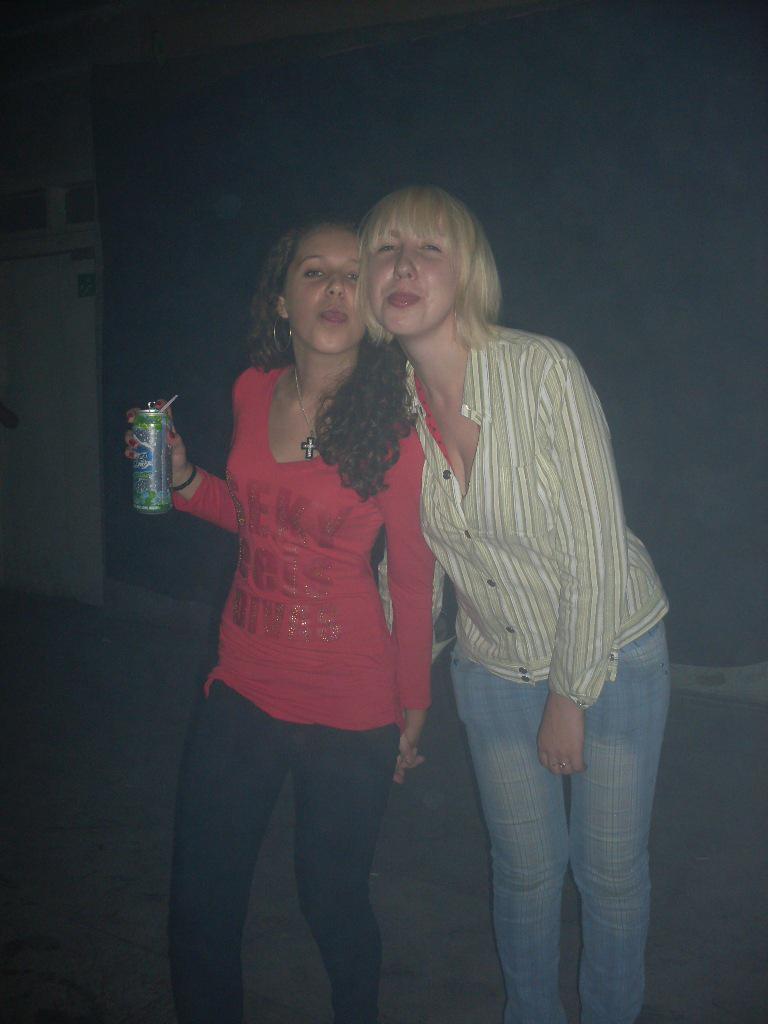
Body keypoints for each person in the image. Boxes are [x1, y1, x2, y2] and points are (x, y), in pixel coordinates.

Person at [358, 186, 670, 1024]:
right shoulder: (389, 406)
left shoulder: (541, 370)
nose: (403, 266)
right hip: (492, 667)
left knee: (607, 872)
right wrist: (390, 696)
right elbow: (407, 569)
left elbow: (595, 548)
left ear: (468, 272)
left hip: (609, 650)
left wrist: (570, 697)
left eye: (428, 248)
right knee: (526, 873)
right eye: (386, 249)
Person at [125, 221, 435, 1024]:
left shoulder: (396, 421)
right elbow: (256, 517)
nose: (334, 287)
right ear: (282, 301)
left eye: (351, 274)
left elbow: (411, 570)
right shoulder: (252, 389)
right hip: (242, 683)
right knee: (201, 903)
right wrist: (183, 480)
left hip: (350, 704)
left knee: (331, 900)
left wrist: (413, 702)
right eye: (313, 271)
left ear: (370, 305)